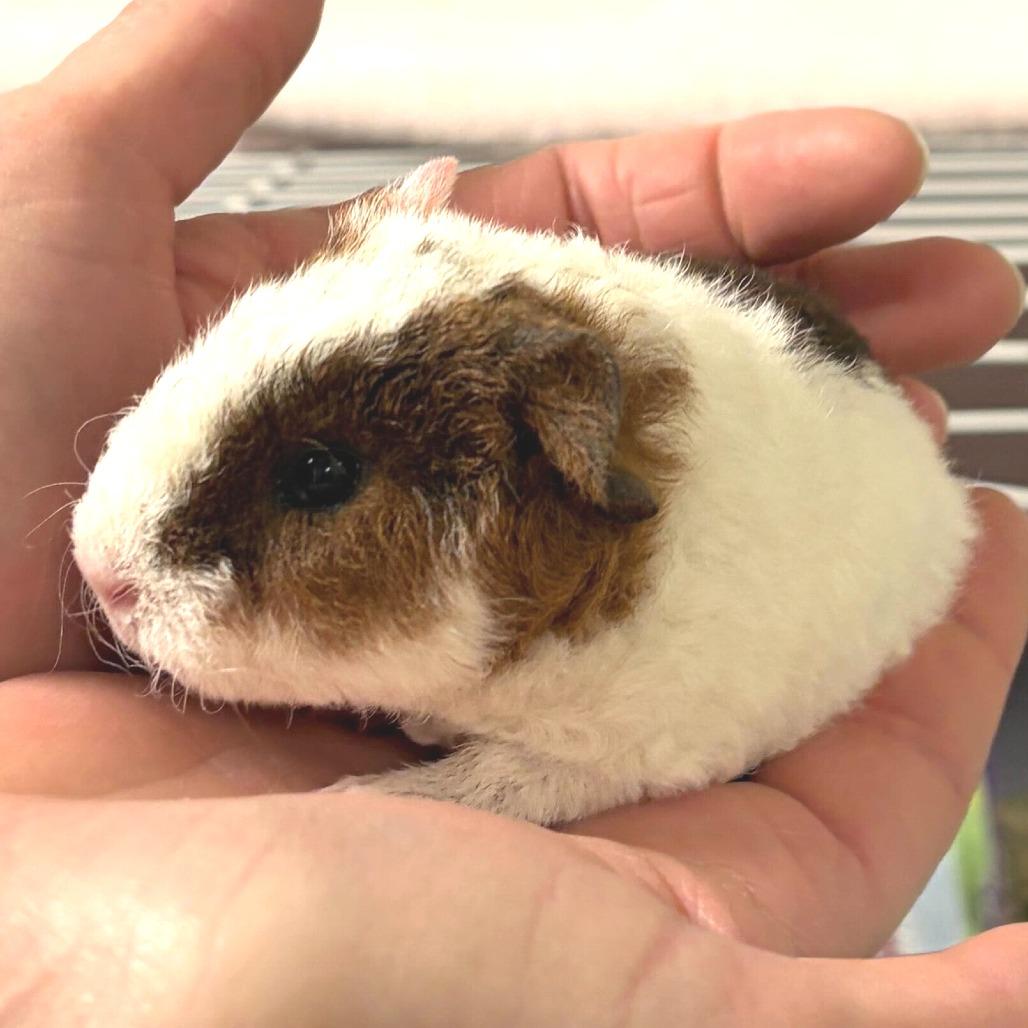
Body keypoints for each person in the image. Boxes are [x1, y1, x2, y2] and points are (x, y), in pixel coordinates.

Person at [0, 1, 1026, 1023]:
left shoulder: (694, 638)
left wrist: (473, 789)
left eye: (317, 477)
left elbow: (637, 738)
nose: (109, 567)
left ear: (560, 466)